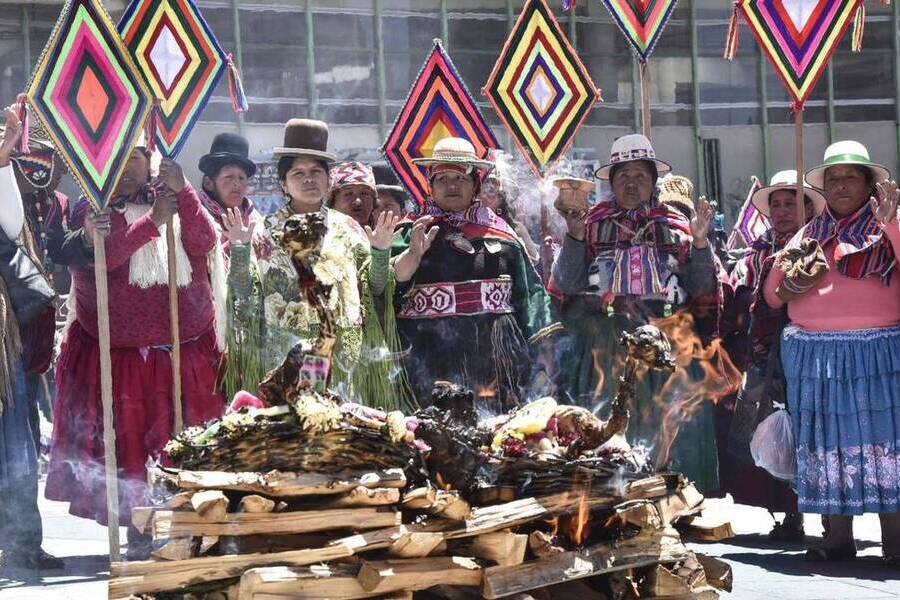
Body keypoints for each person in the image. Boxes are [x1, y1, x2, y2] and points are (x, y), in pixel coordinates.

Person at [45, 143, 225, 554]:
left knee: (183, 442)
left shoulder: (177, 199)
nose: (126, 168)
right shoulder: (89, 210)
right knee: (126, 444)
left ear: (152, 164)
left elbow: (202, 244)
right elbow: (102, 261)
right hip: (118, 354)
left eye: (136, 158)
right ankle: (139, 527)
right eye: (118, 157)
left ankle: (190, 524)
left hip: (182, 349)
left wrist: (183, 195)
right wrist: (152, 223)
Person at [550, 134, 721, 491]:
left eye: (640, 175)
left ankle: (673, 499)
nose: (631, 183)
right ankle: (608, 497)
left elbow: (703, 289)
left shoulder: (678, 228)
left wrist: (702, 242)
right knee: (610, 423)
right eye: (622, 175)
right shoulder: (591, 223)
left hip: (668, 342)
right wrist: (574, 235)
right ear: (610, 182)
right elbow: (565, 285)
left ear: (654, 181)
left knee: (667, 422)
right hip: (607, 344)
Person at [763, 141, 900, 563]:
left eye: (850, 177)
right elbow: (772, 296)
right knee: (827, 445)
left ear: (869, 185)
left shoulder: (887, 225)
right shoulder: (810, 234)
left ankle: (895, 541)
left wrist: (892, 226)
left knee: (884, 443)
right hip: (814, 357)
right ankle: (837, 538)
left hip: (878, 356)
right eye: (833, 179)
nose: (841, 185)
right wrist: (793, 270)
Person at [391, 137, 560, 411]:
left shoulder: (501, 233)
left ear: (475, 185)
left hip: (493, 358)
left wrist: (545, 353)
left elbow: (530, 294)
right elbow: (384, 292)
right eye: (442, 178)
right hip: (427, 357)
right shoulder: (409, 234)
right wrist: (411, 256)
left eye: (460, 177)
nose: (452, 185)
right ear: (430, 186)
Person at [259, 120, 412, 409]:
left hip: (344, 357)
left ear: (328, 179)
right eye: (298, 173)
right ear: (283, 182)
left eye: (316, 171)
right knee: (297, 434)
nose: (308, 179)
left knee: (340, 436)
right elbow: (246, 294)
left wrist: (380, 252)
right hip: (289, 356)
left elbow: (375, 287)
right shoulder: (264, 231)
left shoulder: (349, 229)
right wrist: (240, 249)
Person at [723, 170, 825, 541]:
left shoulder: (821, 242)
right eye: (776, 204)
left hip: (813, 349)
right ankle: (786, 513)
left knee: (813, 428)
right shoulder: (758, 249)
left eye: (792, 202)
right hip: (766, 354)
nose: (782, 211)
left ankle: (827, 516)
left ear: (810, 207)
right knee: (771, 429)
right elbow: (738, 291)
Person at [0, 105, 60, 570]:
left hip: (5, 340)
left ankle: (21, 543)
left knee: (16, 442)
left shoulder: (16, 192)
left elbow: (8, 224)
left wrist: (3, 161)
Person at [196, 133, 271, 400]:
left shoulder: (259, 224)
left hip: (254, 334)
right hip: (208, 332)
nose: (237, 184)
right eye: (229, 177)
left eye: (242, 178)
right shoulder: (196, 221)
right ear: (209, 182)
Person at [477, 171, 540, 264]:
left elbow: (534, 261)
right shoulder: (471, 222)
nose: (484, 196)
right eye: (483, 190)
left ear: (501, 199)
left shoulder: (517, 227)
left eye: (491, 191)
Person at [327, 161, 377, 227]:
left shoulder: (388, 235)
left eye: (364, 193)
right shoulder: (319, 235)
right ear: (333, 203)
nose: (358, 202)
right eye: (348, 194)